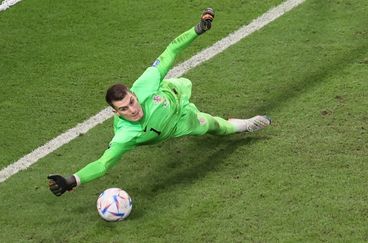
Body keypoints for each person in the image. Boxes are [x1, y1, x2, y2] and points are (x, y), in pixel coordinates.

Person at [48, 8, 271, 196]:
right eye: (124, 109)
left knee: (185, 89)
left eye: (132, 101)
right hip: (177, 125)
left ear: (134, 93)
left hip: (174, 92)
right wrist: (71, 181)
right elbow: (103, 164)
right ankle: (245, 125)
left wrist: (197, 30)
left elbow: (170, 51)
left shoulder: (145, 84)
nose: (133, 110)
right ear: (116, 113)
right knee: (213, 126)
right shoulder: (125, 135)